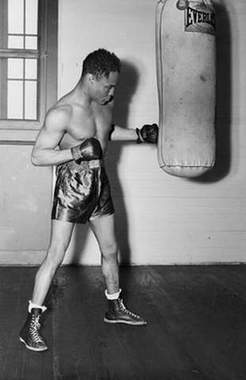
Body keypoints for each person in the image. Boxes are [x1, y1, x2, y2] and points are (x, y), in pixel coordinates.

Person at [19, 48, 158, 352]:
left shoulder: (103, 104)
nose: (112, 91)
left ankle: (114, 307)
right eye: (108, 85)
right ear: (91, 77)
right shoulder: (62, 112)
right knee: (56, 254)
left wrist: (139, 134)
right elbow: (37, 156)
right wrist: (75, 152)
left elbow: (106, 133)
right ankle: (31, 324)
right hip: (72, 183)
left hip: (100, 184)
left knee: (110, 249)